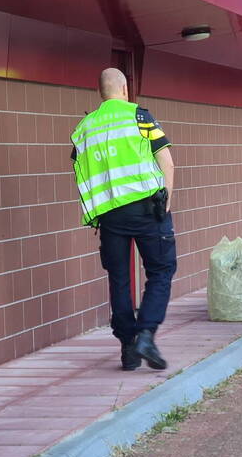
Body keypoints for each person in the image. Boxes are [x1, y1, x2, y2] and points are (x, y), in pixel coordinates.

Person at [71, 68, 176, 372]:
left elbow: (80, 170)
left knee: (118, 279)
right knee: (161, 270)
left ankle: (128, 349)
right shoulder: (140, 117)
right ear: (125, 89)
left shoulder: (84, 128)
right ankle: (146, 334)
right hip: (148, 209)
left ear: (100, 92)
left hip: (110, 215)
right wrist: (167, 201)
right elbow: (167, 162)